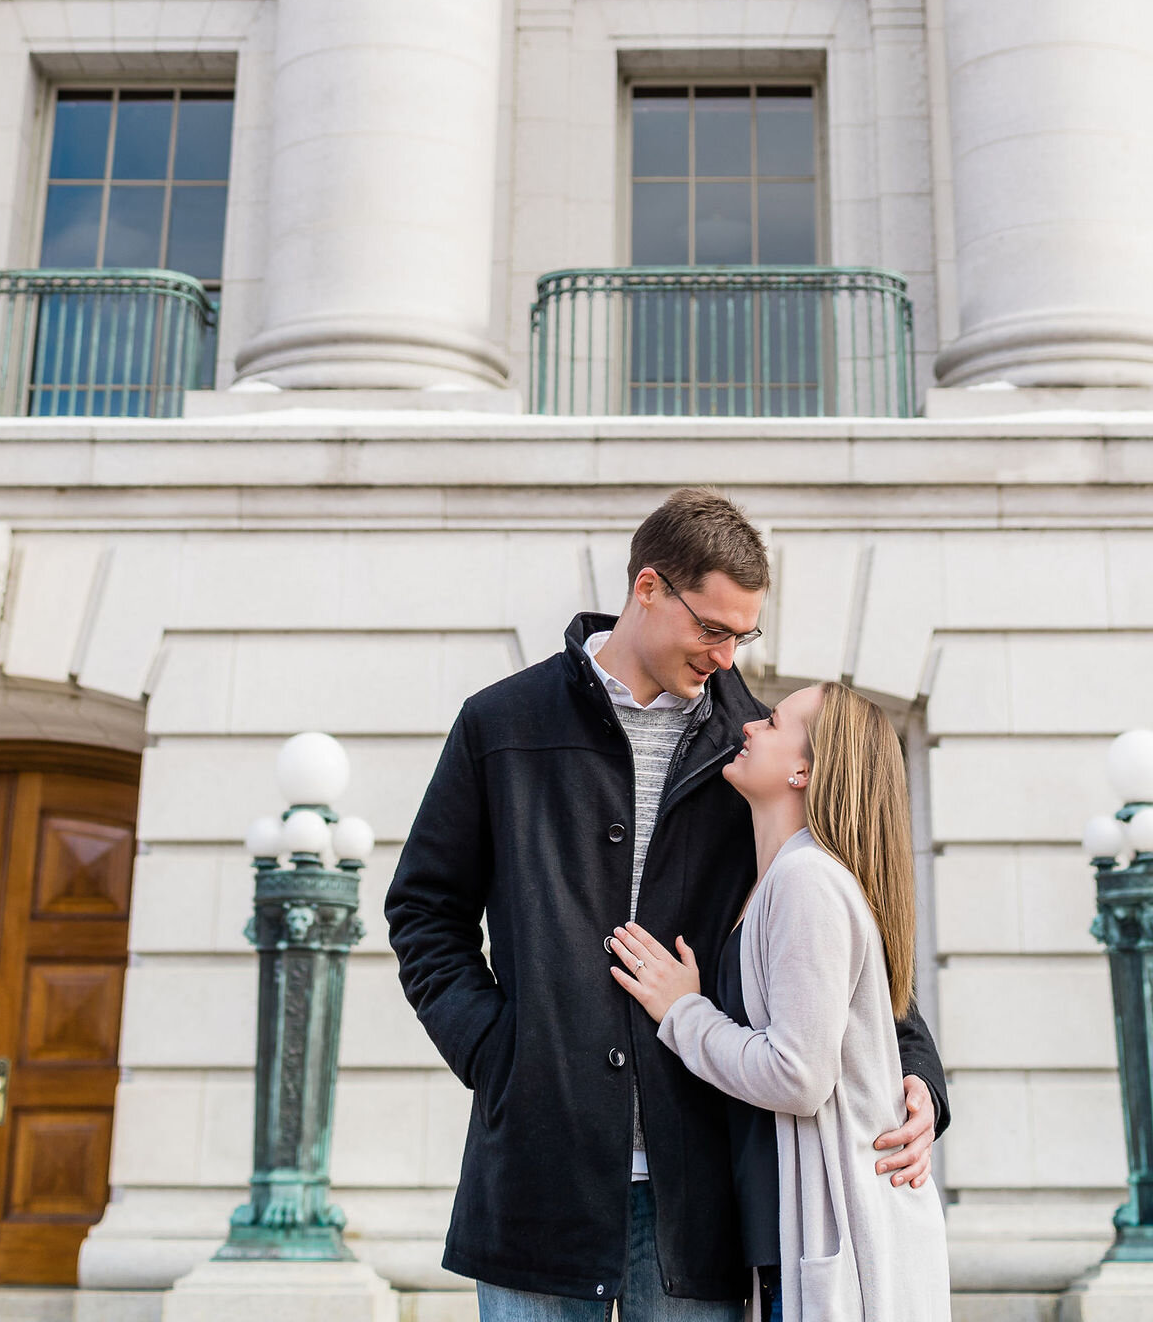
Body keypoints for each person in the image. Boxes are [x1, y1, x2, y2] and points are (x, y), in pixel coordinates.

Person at [385, 488, 948, 1318]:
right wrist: (500, 1056)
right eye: (712, 629)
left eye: (742, 635)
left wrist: (920, 1076)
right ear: (647, 588)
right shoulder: (502, 723)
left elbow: (845, 931)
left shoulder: (754, 749)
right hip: (539, 1177)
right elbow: (424, 913)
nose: (727, 656)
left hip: (702, 1196)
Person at [608, 681, 951, 1322]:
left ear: (804, 769)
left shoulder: (806, 881)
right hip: (795, 1238)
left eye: (775, 721)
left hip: (842, 1241)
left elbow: (798, 1075)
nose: (750, 726)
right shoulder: (780, 878)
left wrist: (683, 1012)